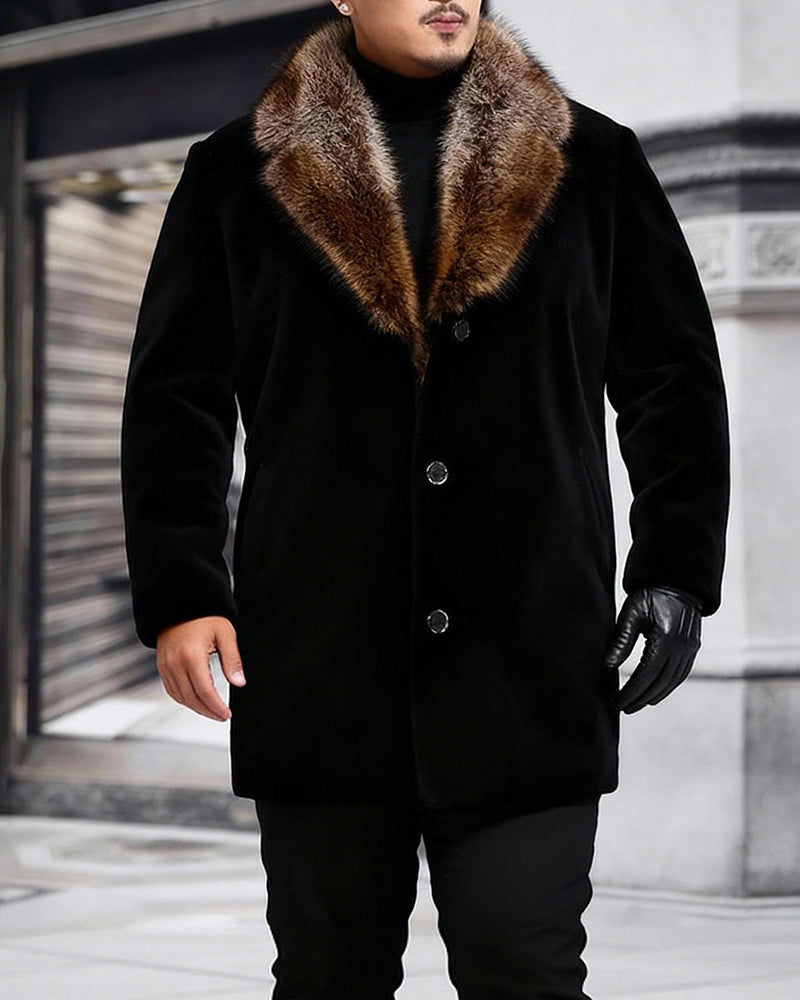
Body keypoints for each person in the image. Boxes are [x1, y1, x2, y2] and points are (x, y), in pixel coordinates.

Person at [120, 1, 730, 997]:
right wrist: (183, 591)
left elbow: (672, 380)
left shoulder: (594, 163)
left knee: (523, 964)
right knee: (328, 974)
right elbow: (175, 402)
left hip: (526, 656)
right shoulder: (235, 173)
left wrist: (675, 567)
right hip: (320, 660)